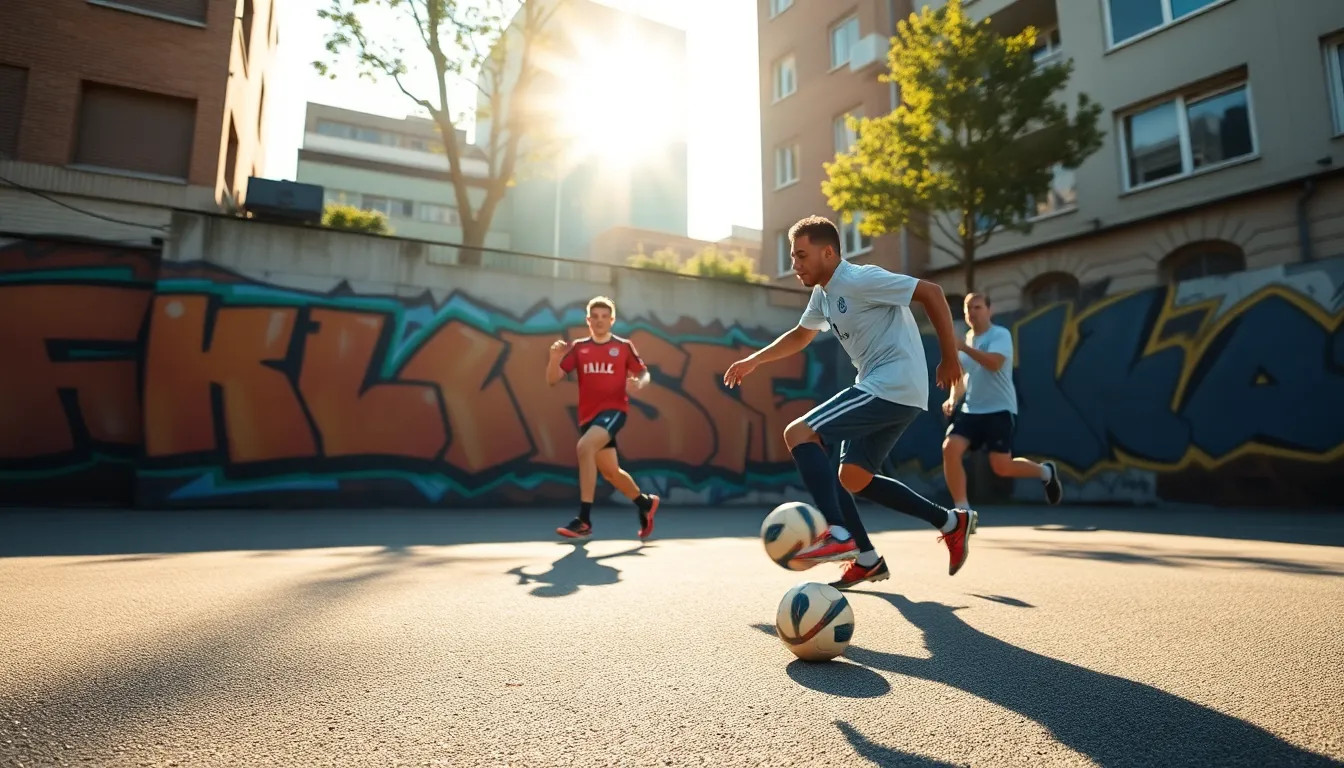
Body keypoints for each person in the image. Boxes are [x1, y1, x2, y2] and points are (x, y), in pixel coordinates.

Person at [723, 215, 975, 589]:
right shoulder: (823, 293)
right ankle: (935, 530)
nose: (795, 265)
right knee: (853, 477)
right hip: (895, 391)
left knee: (799, 433)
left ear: (829, 252)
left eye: (802, 255)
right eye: (793, 257)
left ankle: (839, 532)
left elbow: (932, 292)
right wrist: (755, 360)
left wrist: (950, 356)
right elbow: (801, 335)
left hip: (891, 384)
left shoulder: (859, 279)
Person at [546, 296, 660, 540]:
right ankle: (645, 503)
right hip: (587, 417)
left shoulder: (623, 347)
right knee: (611, 472)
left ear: (612, 320)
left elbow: (644, 373)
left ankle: (584, 519)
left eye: (604, 317)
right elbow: (552, 379)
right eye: (594, 317)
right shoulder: (579, 348)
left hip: (614, 411)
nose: (599, 321)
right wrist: (554, 358)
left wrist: (639, 383)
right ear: (588, 321)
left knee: (584, 447)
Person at [943, 293, 1062, 525]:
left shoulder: (1000, 335)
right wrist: (952, 399)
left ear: (989, 310)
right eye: (968, 309)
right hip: (971, 410)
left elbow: (994, 364)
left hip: (999, 410)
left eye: (977, 307)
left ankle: (1045, 472)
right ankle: (962, 511)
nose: (972, 313)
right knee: (950, 448)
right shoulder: (966, 341)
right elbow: (961, 378)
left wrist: (964, 349)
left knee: (1002, 467)